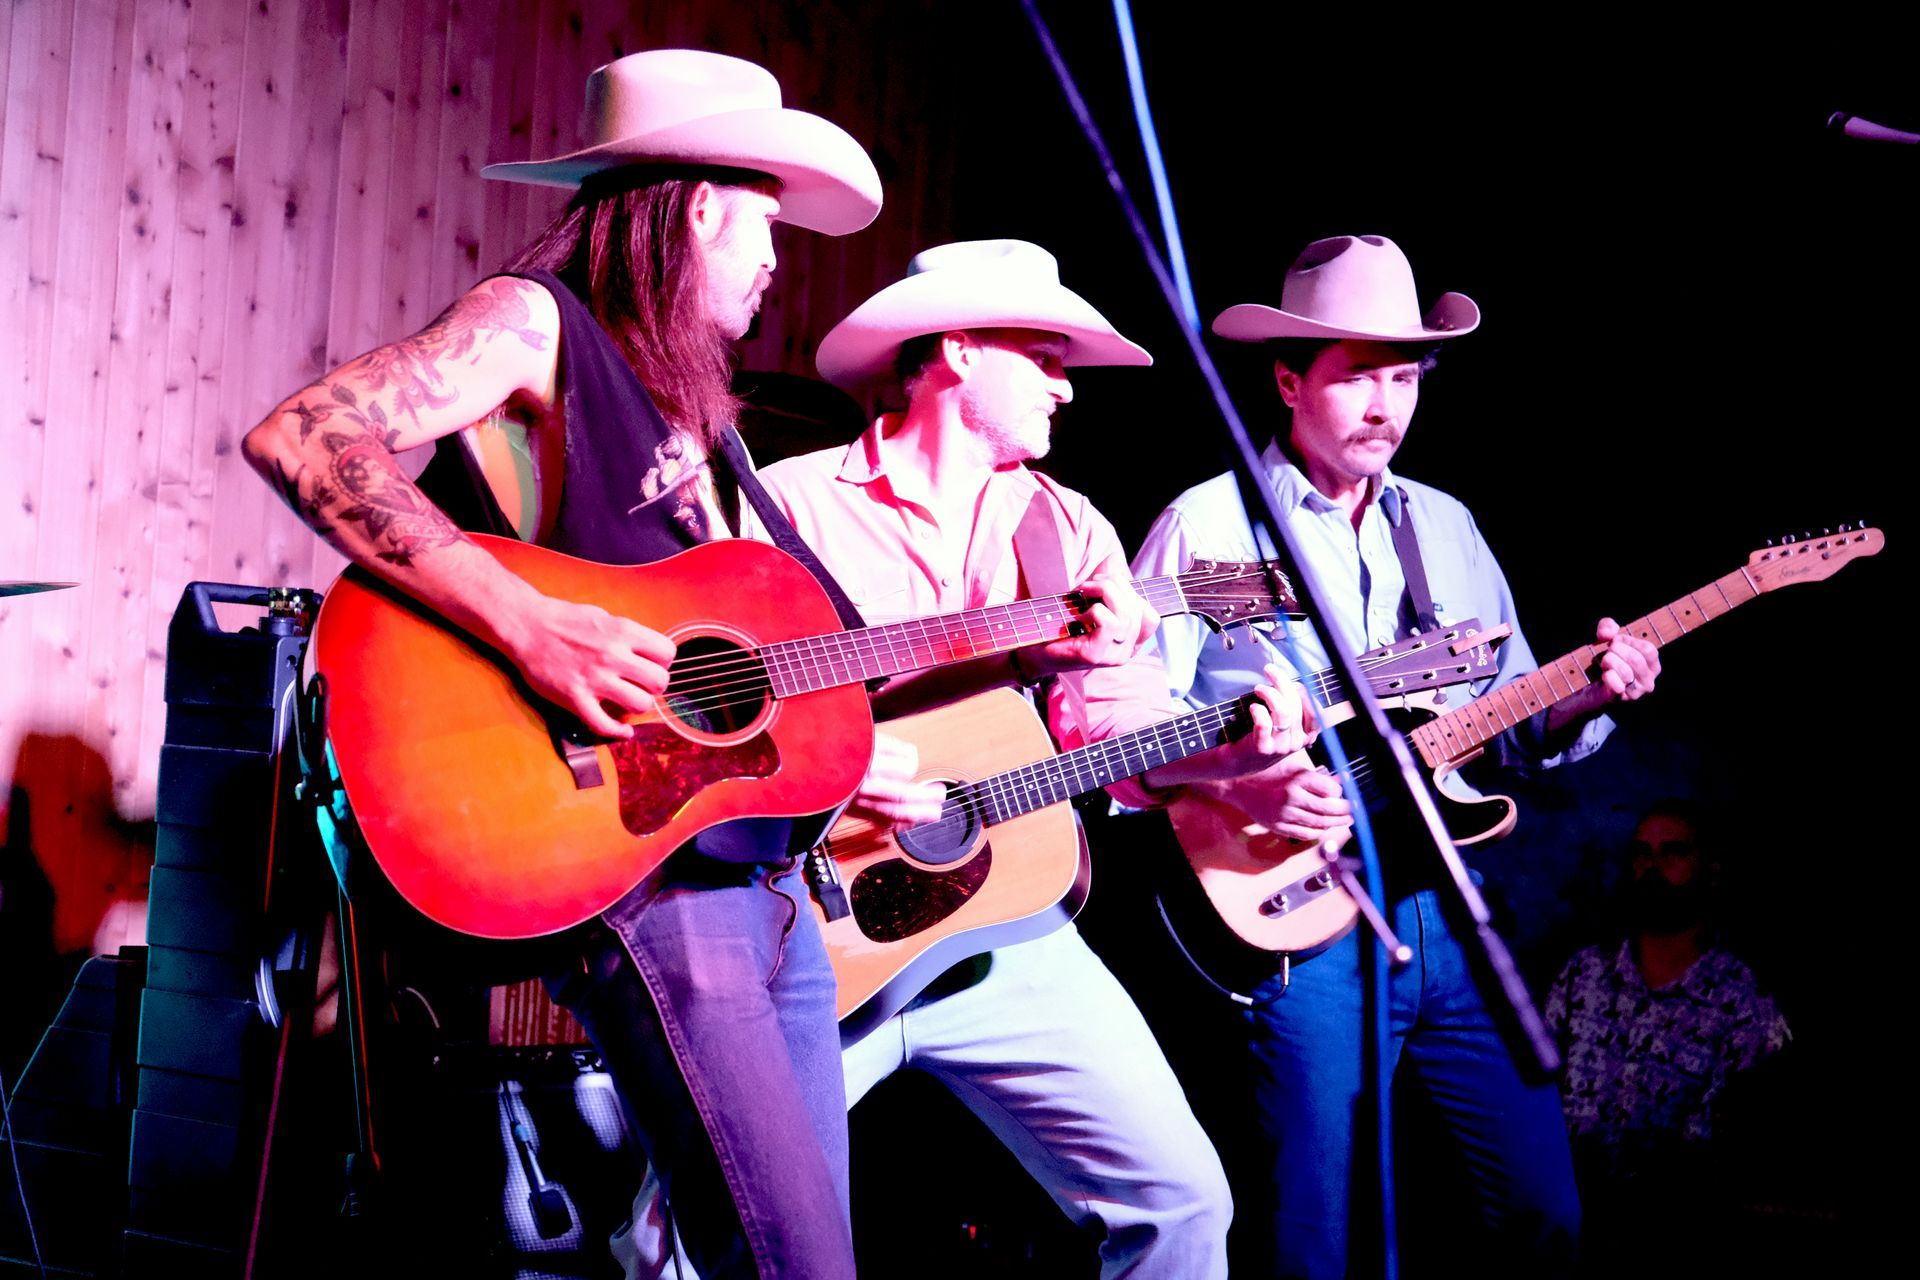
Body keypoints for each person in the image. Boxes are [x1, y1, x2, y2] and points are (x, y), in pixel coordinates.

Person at [243, 48, 901, 1279]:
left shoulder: (699, 414)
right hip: (652, 884)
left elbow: (750, 671)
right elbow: (306, 435)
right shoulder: (537, 323)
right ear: (699, 209)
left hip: (765, 888)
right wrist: (527, 621)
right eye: (765, 222)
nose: (777, 259)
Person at [624, 239, 1316, 1280]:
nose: (1066, 387)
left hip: (1002, 929)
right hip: (807, 928)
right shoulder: (788, 504)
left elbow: (1108, 727)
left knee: (1184, 1204)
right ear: (954, 350)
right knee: (679, 1240)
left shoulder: (1066, 527)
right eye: (1044, 357)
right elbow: (701, 704)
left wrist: (1230, 758)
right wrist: (833, 762)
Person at [1130, 234, 1662, 1277]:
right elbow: (1125, 725)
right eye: (1359, 376)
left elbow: (1511, 717)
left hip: (1447, 910)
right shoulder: (1209, 522)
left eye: (1406, 377)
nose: (1387, 405)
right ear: (1288, 380)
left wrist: (1589, 692)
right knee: (1311, 1237)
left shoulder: (1447, 526)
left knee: (1544, 1214)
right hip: (1300, 911)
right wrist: (1246, 776)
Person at [1545, 799, 1789, 1260]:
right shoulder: (1584, 974)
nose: (1653, 867)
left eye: (1672, 853)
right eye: (1643, 854)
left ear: (1710, 871)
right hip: (1563, 1217)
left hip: (1672, 1235)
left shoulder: (1744, 1003)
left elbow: (1738, 1144)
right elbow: (1535, 1090)